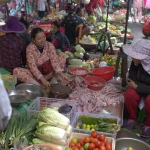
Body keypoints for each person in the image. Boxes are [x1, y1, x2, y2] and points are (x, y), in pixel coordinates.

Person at [123, 39, 150, 138]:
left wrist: (137, 86)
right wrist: (141, 87)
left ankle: (148, 124)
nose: (132, 57)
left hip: (141, 88)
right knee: (130, 94)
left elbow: (134, 84)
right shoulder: (135, 63)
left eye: (135, 55)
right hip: (141, 87)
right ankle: (132, 118)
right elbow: (131, 79)